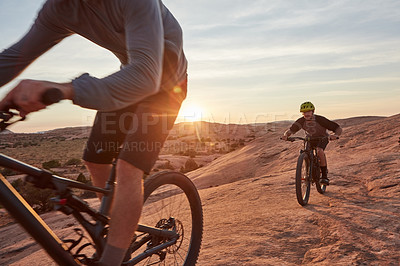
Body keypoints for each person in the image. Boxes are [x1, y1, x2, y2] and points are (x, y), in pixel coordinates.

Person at [0, 0, 187, 265]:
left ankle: (113, 257)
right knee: (95, 160)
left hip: (166, 83)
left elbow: (147, 74)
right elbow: (13, 58)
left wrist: (64, 89)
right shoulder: (59, 9)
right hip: (128, 80)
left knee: (128, 167)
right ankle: (118, 230)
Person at [282, 101, 342, 185]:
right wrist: (285, 135)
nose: (306, 114)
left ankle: (324, 176)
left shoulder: (320, 119)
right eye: (304, 112)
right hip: (310, 139)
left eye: (308, 111)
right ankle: (308, 171)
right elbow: (290, 130)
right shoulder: (301, 121)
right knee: (305, 151)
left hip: (322, 138)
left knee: (319, 151)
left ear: (312, 111)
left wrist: (335, 135)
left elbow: (338, 128)